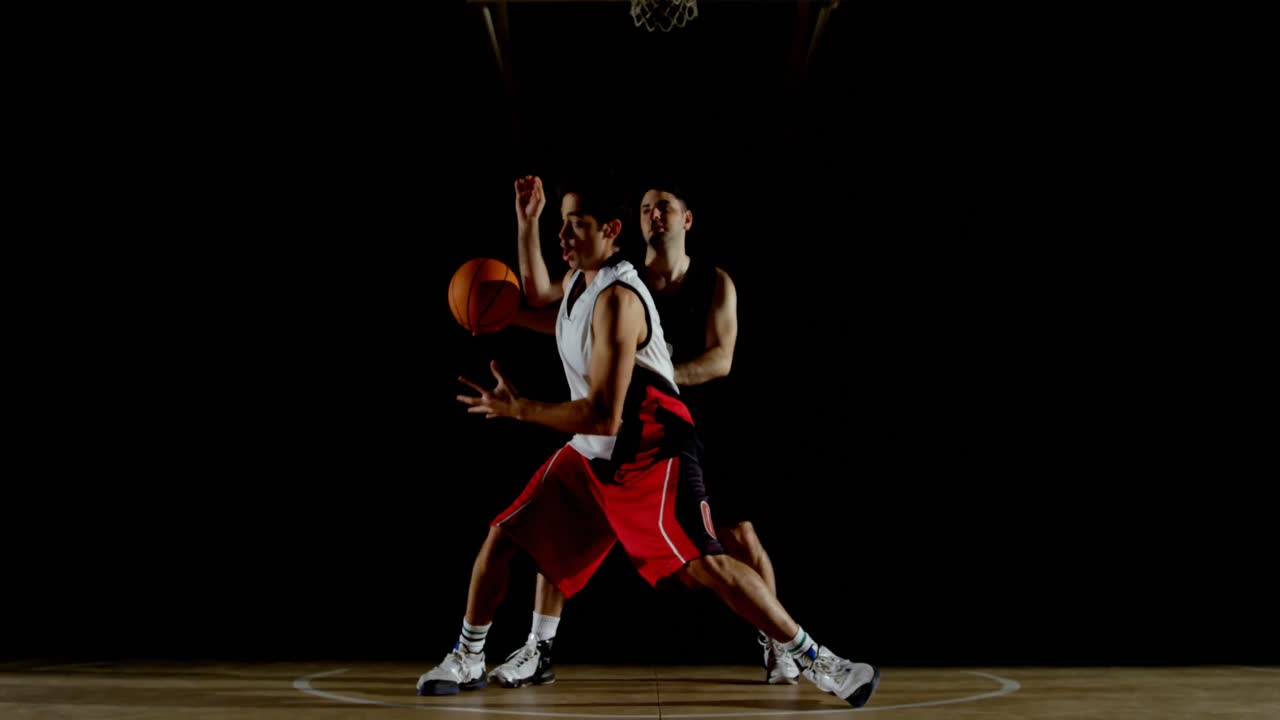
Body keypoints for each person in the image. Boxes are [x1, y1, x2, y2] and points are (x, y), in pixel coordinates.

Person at [416, 175, 878, 708]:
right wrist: (527, 224)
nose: (563, 235)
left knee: (709, 564)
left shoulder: (619, 299)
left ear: (611, 231)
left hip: (650, 446)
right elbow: (537, 290)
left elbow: (605, 416)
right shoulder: (580, 281)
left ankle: (819, 660)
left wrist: (519, 409)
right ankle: (470, 654)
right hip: (597, 449)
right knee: (507, 533)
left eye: (576, 225)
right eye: (560, 223)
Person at [487, 181, 801, 689]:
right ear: (632, 223)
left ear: (687, 220)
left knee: (738, 537)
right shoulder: (617, 280)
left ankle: (776, 641)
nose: (656, 216)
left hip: (696, 424)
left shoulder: (714, 282)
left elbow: (722, 359)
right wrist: (509, 314)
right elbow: (566, 314)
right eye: (646, 209)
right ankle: (537, 646)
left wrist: (654, 372)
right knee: (564, 524)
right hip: (630, 429)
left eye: (666, 209)